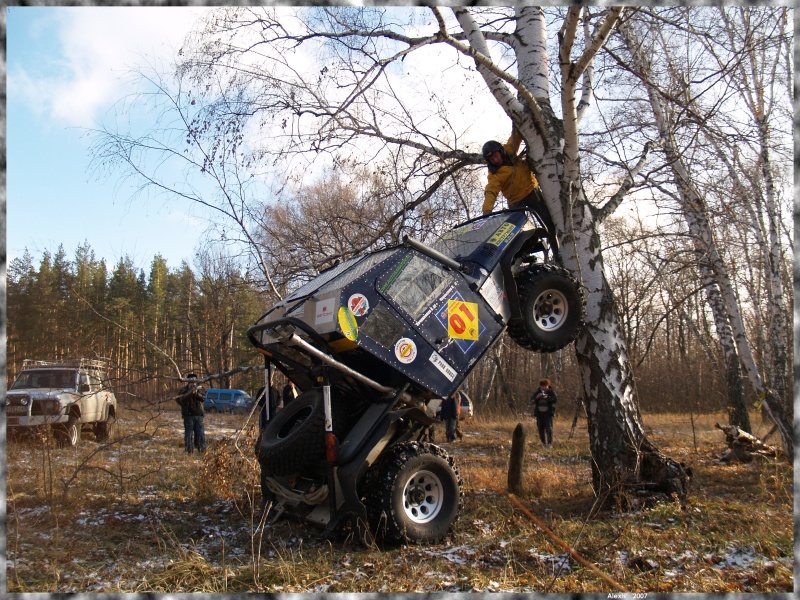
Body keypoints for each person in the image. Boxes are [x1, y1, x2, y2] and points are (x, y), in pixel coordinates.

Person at [482, 126, 557, 249]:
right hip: (515, 201)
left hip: (531, 191)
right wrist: (487, 210)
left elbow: (515, 137)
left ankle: (555, 249)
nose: (495, 160)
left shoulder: (509, 150)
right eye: (492, 159)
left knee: (548, 222)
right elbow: (491, 191)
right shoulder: (494, 175)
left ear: (500, 151)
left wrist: (516, 119)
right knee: (515, 229)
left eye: (496, 155)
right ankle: (525, 247)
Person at [176, 373, 207, 454]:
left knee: (200, 434)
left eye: (194, 382)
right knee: (188, 434)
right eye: (191, 382)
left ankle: (202, 451)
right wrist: (190, 393)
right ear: (188, 382)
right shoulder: (183, 390)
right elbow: (180, 400)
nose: (193, 383)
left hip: (199, 415)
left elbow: (203, 398)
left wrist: (195, 393)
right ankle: (189, 451)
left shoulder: (200, 389)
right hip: (188, 416)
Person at [530, 378, 558, 447]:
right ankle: (543, 443)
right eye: (542, 386)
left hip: (548, 414)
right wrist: (537, 397)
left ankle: (549, 443)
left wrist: (547, 397)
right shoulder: (537, 392)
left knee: (549, 429)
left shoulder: (551, 392)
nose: (543, 388)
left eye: (545, 386)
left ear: (548, 386)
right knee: (540, 429)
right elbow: (532, 400)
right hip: (539, 414)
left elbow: (555, 399)